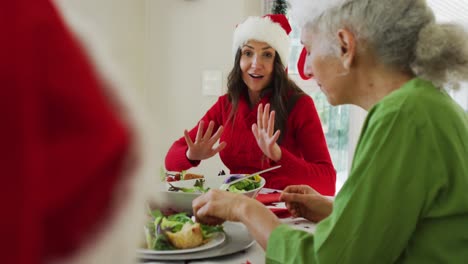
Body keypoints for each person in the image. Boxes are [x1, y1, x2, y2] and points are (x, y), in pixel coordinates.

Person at [193, 0, 468, 263]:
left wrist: (243, 208)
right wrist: (336, 210)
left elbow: (327, 260)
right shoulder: (429, 103)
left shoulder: (402, 117)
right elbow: (402, 225)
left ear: (345, 46)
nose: (308, 69)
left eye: (309, 50)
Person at [1, 0, 154, 263]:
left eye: (253, 52)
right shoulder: (224, 107)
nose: (252, 64)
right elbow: (174, 157)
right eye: (246, 54)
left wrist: (241, 207)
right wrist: (190, 155)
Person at [165, 14, 336, 194]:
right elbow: (171, 160)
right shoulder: (226, 104)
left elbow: (328, 182)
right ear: (239, 59)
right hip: (234, 208)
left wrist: (279, 155)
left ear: (278, 63)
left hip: (282, 213)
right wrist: (191, 155)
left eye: (267, 55)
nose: (256, 64)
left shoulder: (300, 105)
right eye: (248, 53)